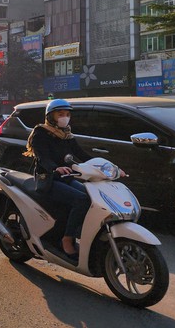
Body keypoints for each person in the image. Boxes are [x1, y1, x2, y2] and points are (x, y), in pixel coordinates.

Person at [23, 99, 127, 258]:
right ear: (51, 116)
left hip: (66, 177)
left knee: (92, 199)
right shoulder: (41, 133)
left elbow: (83, 156)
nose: (65, 117)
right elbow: (42, 157)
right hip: (48, 179)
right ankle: (67, 238)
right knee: (81, 200)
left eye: (67, 114)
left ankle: (78, 232)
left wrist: (111, 168)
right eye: (60, 114)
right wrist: (54, 168)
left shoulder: (67, 135)